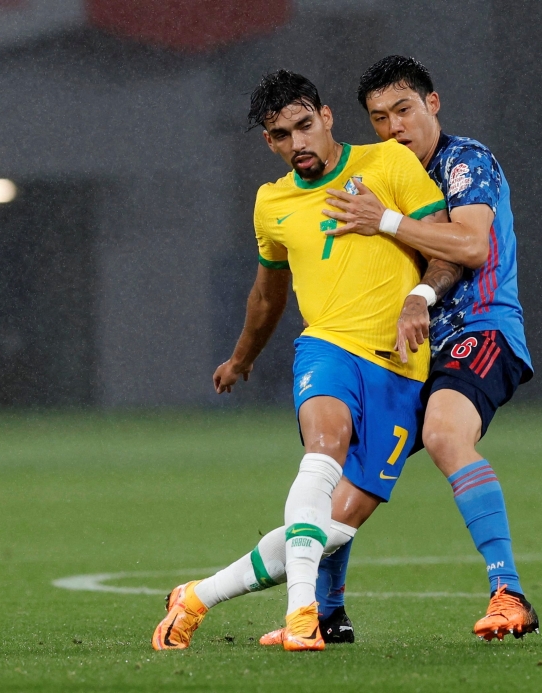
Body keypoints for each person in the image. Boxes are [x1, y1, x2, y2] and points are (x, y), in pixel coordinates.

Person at [151, 69, 449, 652]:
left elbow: (443, 245)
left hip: (400, 367)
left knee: (332, 527)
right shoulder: (272, 202)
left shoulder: (389, 164)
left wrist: (420, 297)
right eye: (282, 135)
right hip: (328, 347)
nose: (298, 143)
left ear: (327, 116)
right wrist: (241, 357)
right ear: (269, 142)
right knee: (324, 447)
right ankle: (302, 616)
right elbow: (268, 294)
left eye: (305, 126)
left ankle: (196, 597)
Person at [319, 55, 538, 641]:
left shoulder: (465, 162)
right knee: (346, 478)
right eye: (379, 118)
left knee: (444, 433)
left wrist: (386, 222)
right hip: (410, 350)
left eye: (404, 110)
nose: (394, 127)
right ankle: (326, 613)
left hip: (480, 330)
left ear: (432, 104)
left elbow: (470, 245)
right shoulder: (378, 176)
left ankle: (509, 594)